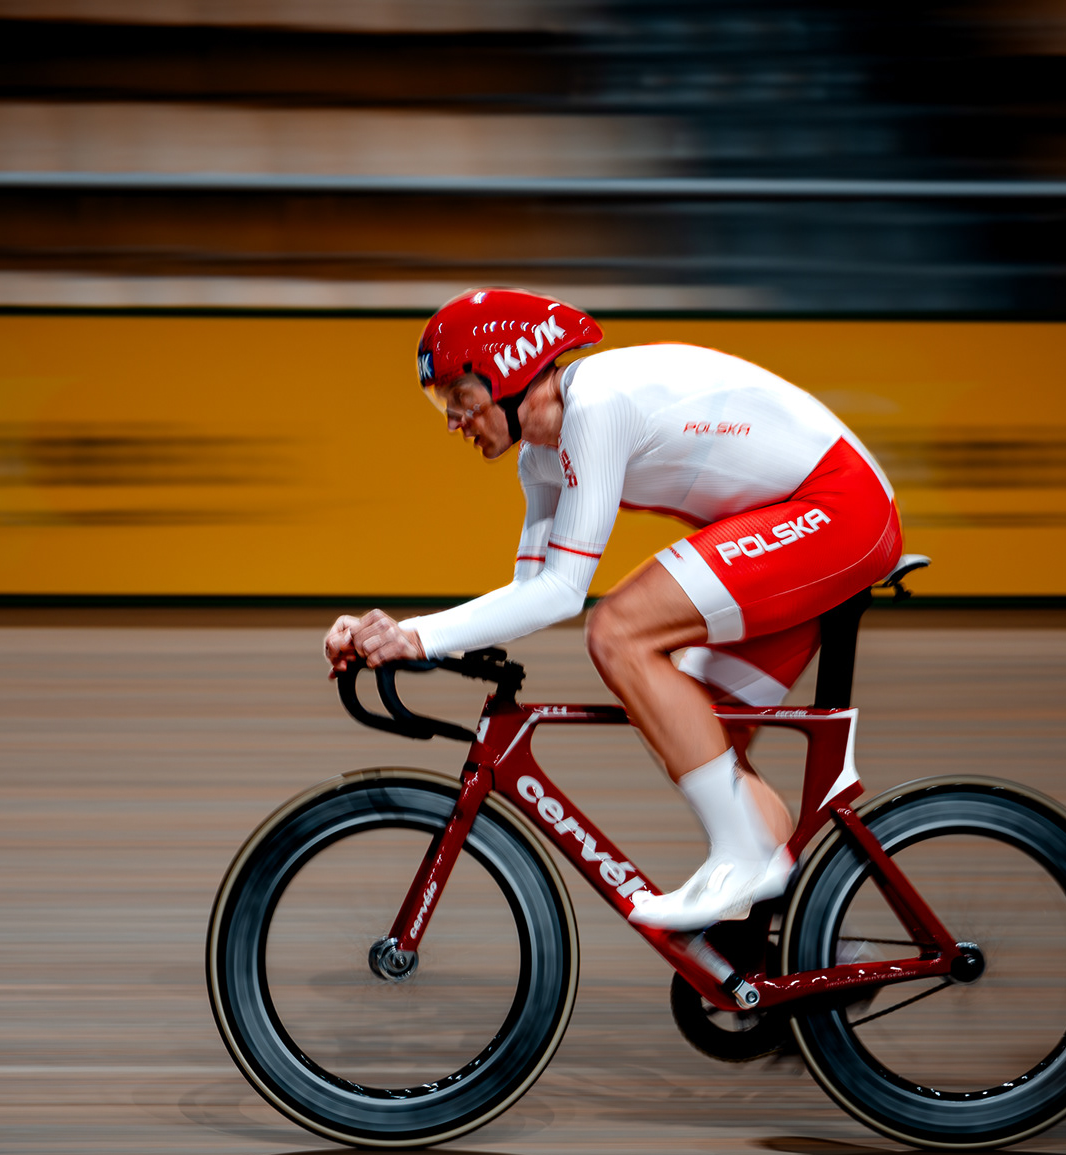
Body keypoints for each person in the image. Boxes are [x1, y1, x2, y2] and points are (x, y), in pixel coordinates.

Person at [325, 288, 901, 932]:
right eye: (444, 404)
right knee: (697, 732)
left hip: (841, 508)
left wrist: (416, 636)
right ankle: (791, 949)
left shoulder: (597, 403)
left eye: (460, 396)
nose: (454, 420)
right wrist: (398, 636)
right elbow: (528, 594)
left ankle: (746, 861)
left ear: (510, 370)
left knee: (618, 632)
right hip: (803, 522)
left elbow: (564, 592)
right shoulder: (540, 459)